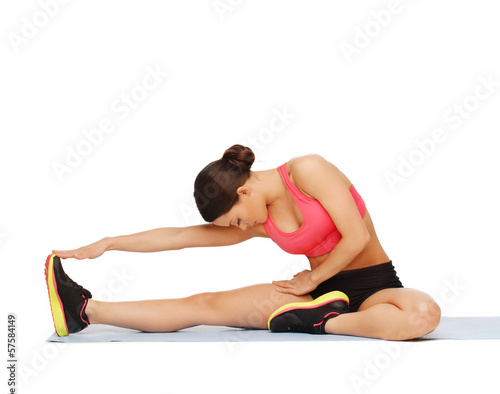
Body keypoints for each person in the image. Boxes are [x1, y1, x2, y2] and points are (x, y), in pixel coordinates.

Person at [46, 144, 441, 340]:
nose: (237, 227)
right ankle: (85, 311)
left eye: (234, 219)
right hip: (313, 293)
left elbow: (358, 237)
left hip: (371, 288)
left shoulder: (309, 170)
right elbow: (182, 236)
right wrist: (110, 242)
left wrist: (309, 280)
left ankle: (324, 322)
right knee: (202, 305)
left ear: (245, 193)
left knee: (423, 315)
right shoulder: (260, 219)